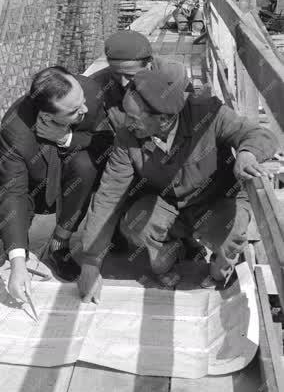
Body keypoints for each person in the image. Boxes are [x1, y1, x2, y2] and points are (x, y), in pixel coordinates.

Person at [77, 66, 278, 303]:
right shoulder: (127, 136)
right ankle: (172, 257)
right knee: (136, 224)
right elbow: (109, 194)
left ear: (163, 119)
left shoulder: (208, 114)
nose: (127, 123)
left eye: (134, 118)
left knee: (231, 235)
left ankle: (219, 271)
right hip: (168, 203)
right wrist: (91, 261)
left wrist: (247, 153)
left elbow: (259, 135)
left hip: (216, 201)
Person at [0, 67, 113, 304]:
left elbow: (110, 142)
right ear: (48, 117)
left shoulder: (88, 93)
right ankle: (18, 251)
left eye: (82, 102)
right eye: (73, 111)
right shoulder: (15, 129)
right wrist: (18, 262)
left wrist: (67, 138)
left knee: (86, 165)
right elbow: (13, 192)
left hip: (70, 173)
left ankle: (59, 245)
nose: (85, 109)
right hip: (30, 183)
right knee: (6, 217)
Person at [91, 30, 192, 131]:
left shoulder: (175, 74)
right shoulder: (96, 85)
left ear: (148, 64)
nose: (123, 83)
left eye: (129, 75)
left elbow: (188, 116)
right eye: (116, 74)